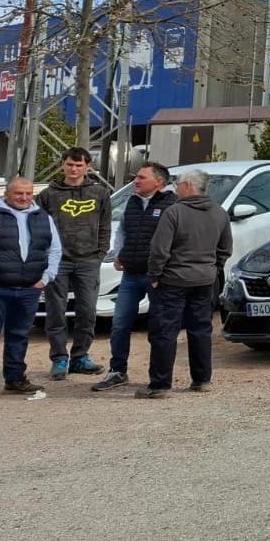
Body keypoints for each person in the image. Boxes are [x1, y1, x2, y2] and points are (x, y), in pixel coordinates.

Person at [139, 169, 231, 399]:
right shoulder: (220, 213)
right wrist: (212, 268)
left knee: (165, 331)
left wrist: (155, 275)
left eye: (178, 184)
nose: (175, 188)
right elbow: (225, 249)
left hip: (173, 281)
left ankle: (160, 384)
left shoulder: (174, 213)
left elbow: (159, 249)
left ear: (189, 186)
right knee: (200, 330)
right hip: (204, 281)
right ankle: (201, 380)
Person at [92, 163, 177, 391]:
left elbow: (176, 239)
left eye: (141, 178)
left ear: (158, 182)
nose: (135, 181)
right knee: (120, 325)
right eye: (135, 178)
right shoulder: (132, 202)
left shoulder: (172, 205)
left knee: (158, 329)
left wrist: (164, 269)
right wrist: (119, 254)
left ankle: (157, 377)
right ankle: (117, 370)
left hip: (156, 276)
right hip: (130, 274)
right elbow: (122, 231)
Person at [37, 146, 113, 380]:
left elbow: (105, 226)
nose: (74, 169)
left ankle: (81, 357)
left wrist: (100, 253)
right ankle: (59, 358)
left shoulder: (100, 193)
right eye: (70, 164)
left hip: (88, 261)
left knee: (87, 311)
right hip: (57, 262)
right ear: (63, 164)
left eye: (79, 165)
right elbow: (37, 227)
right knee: (56, 312)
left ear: (87, 167)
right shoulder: (49, 194)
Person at [0, 178, 63, 394]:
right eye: (18, 193)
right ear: (7, 194)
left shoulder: (42, 217)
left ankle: (14, 379)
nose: (24, 198)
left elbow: (54, 249)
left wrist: (46, 278)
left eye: (28, 193)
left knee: (19, 335)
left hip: (28, 290)